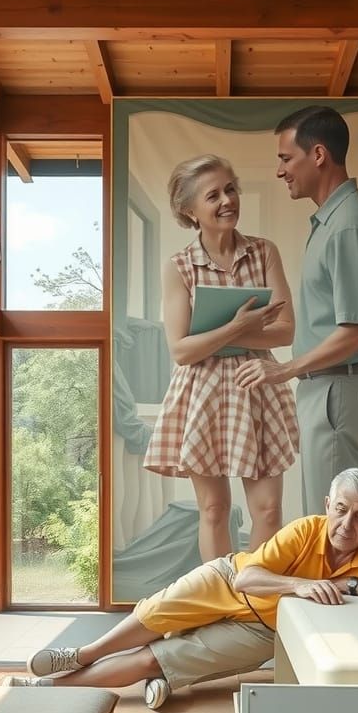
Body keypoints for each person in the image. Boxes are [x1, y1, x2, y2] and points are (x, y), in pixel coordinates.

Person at [6, 468, 358, 710]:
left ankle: (46, 689)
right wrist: (304, 584)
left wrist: (345, 583)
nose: (347, 525)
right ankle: (81, 655)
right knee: (154, 617)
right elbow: (246, 579)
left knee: (156, 659)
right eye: (340, 510)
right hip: (227, 579)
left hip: (264, 630)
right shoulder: (304, 530)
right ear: (327, 503)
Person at [143, 154, 299, 561]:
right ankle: (218, 603)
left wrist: (224, 334)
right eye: (213, 195)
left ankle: (256, 602)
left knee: (268, 509)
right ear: (189, 211)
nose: (227, 200)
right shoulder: (179, 267)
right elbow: (180, 350)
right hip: (202, 394)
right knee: (214, 509)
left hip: (257, 385)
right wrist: (237, 327)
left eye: (231, 189)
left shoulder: (264, 253)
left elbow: (286, 331)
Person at [235, 106, 358, 514]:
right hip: (328, 389)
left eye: (286, 158)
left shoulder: (347, 226)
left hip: (337, 388)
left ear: (318, 154)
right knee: (325, 522)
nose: (280, 171)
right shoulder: (331, 222)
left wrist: (282, 370)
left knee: (334, 526)